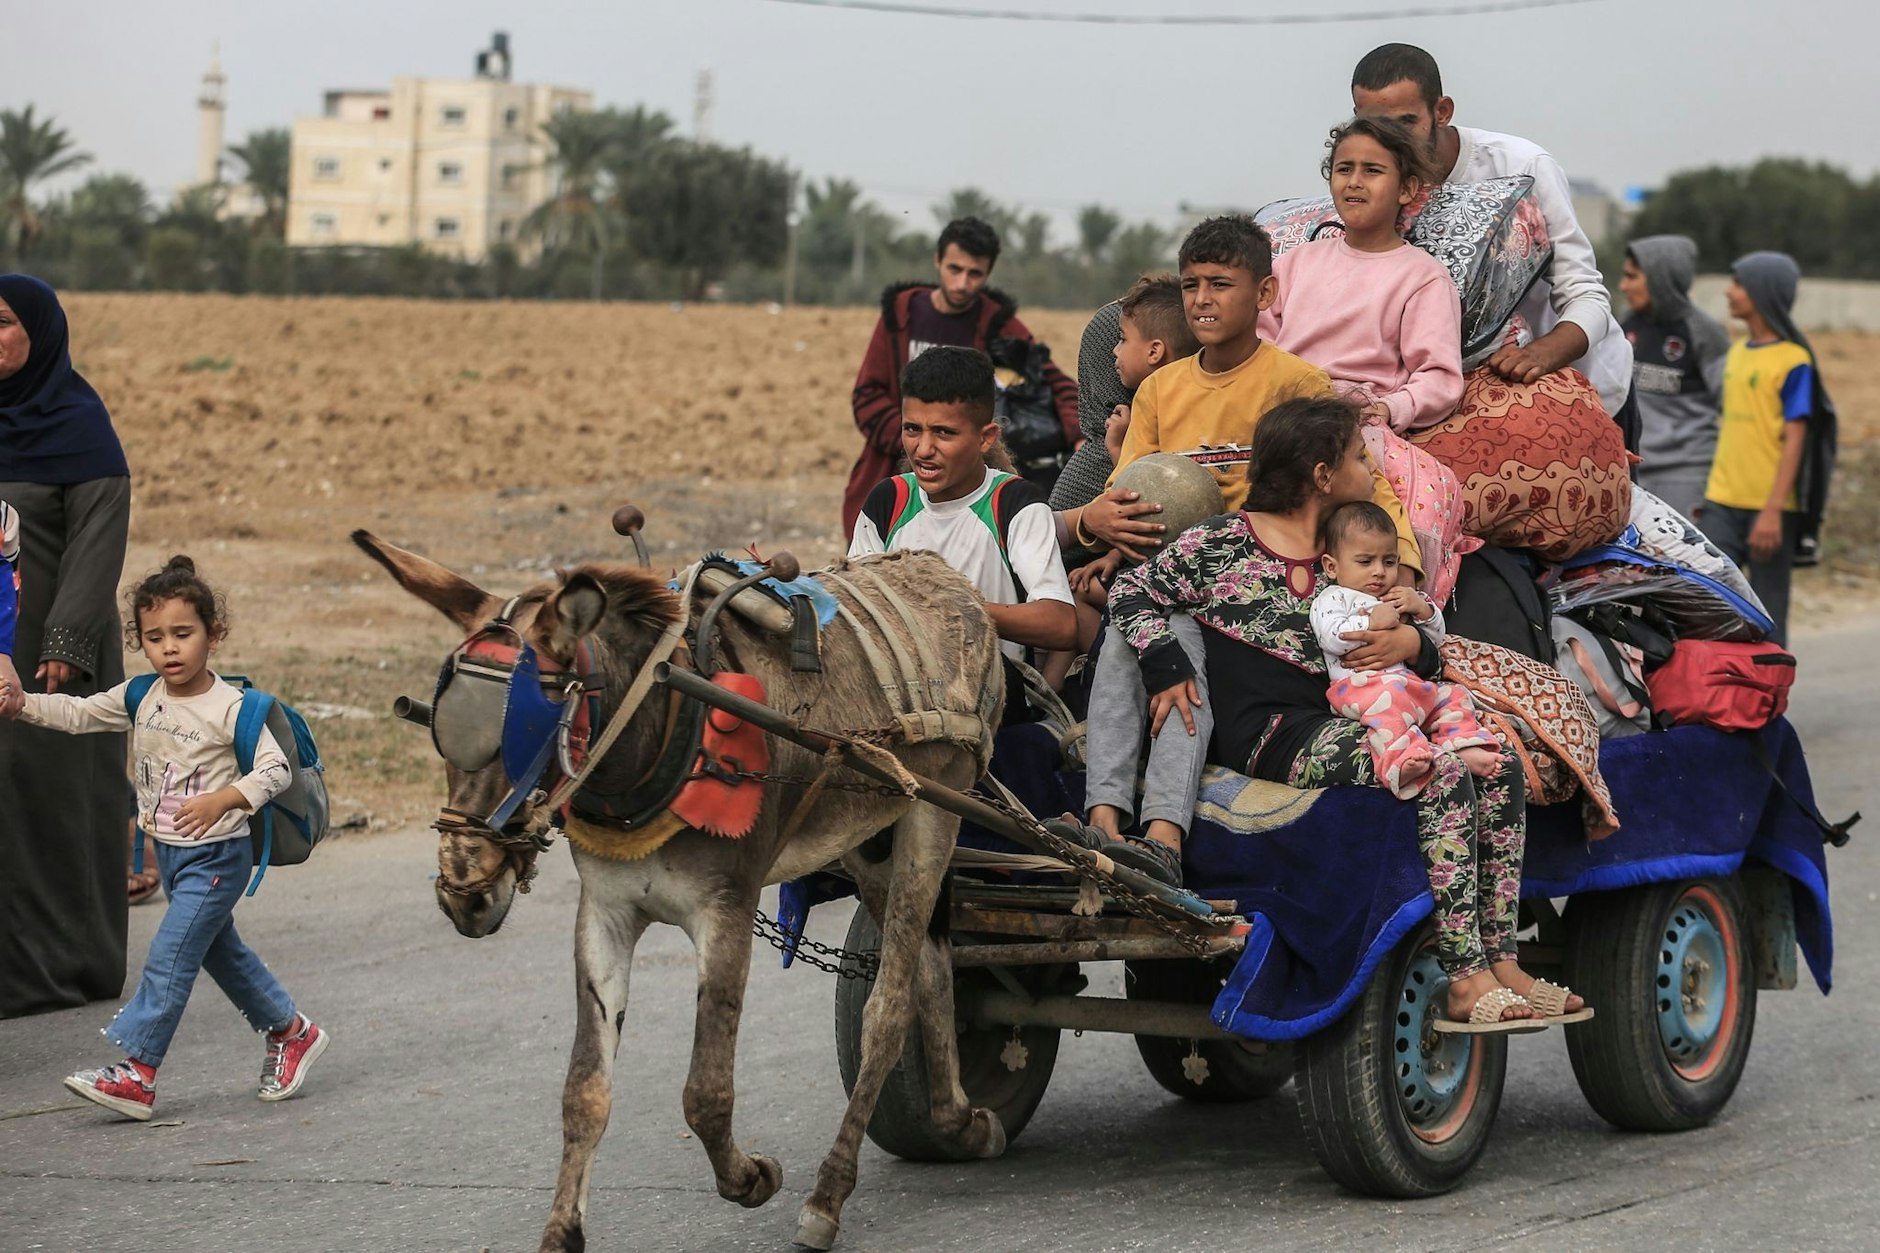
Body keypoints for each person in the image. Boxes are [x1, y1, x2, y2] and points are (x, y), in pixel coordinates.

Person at [1102, 396, 1585, 1029]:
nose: (1370, 468)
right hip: (1274, 733)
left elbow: (1424, 643)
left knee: (1499, 766)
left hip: (1355, 716)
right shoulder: (1221, 544)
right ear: (1323, 475)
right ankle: (1465, 977)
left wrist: (1414, 644)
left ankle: (1503, 960)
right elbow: (1131, 591)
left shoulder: (1358, 552)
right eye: (1360, 456)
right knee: (1439, 772)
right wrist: (1165, 662)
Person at [3, 556, 330, 1120]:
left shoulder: (231, 708)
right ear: (140, 642)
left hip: (219, 857)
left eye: (183, 634)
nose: (169, 649)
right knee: (221, 955)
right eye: (154, 638)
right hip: (175, 858)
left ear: (213, 635)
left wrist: (223, 799)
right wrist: (22, 704)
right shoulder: (142, 696)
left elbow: (276, 771)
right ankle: (291, 1032)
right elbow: (80, 714)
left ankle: (138, 1072)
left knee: (170, 956)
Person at [1075, 215, 1424, 576]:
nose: (1202, 300)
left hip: (1274, 571)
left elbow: (1364, 481)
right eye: (1191, 285)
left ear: (1264, 293)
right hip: (1177, 569)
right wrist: (1102, 533)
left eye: (1220, 284)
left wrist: (1404, 568)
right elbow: (1130, 488)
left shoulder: (1298, 383)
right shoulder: (1158, 389)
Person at [1350, 43, 1636, 446]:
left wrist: (1540, 353)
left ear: (1442, 111)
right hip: (1464, 408)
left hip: (1583, 391)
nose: (1391, 141)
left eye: (1406, 123)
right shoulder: (1367, 183)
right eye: (1375, 127)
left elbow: (1586, 294)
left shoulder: (1523, 166)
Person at [0, 274, 135, 1018]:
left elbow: (97, 537)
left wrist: (67, 641)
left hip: (52, 657)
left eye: (2, 323)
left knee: (51, 807)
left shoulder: (77, 426)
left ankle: (61, 970)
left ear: (41, 332)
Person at [849, 346, 1076, 707]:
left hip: (990, 703)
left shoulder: (1013, 503)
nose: (923, 449)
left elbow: (1060, 623)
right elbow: (854, 606)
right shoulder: (888, 501)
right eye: (912, 429)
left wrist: (952, 607)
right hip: (900, 696)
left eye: (944, 433)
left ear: (986, 437)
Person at [843, 217, 1078, 537]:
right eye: (954, 269)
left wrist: (1079, 435)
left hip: (963, 490)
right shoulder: (901, 315)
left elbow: (1051, 379)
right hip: (889, 478)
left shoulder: (995, 324)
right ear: (938, 261)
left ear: (988, 273)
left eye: (974, 273)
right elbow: (867, 396)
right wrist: (913, 441)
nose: (962, 283)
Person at [1260, 117, 1464, 434]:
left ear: (1406, 189)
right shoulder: (1293, 264)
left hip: (1359, 422)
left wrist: (1391, 408)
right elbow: (1258, 346)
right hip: (1282, 413)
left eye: (1372, 170)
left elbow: (1440, 376)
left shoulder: (1423, 278)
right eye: (1344, 169)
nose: (1354, 181)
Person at [1310, 500, 1501, 799]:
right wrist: (1370, 620)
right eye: (1365, 562)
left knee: (1453, 695)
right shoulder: (1334, 598)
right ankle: (1401, 760)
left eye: (1389, 562)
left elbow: (1436, 638)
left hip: (1407, 686)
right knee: (1390, 705)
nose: (1379, 572)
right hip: (1361, 688)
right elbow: (1330, 637)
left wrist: (1423, 609)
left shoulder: (1396, 596)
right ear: (1332, 566)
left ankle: (1462, 742)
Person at [1702, 253, 1822, 645]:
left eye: (1738, 284)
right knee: (1708, 608)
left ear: (1762, 292)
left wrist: (1772, 511)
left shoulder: (1795, 361)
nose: (1729, 291)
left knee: (1769, 617)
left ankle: (1771, 688)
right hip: (1721, 501)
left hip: (1768, 509)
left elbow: (1796, 438)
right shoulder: (1736, 351)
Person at [1620, 236, 1730, 521]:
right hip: (1630, 472)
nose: (1623, 286)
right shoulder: (1625, 325)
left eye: (1632, 277)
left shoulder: (1703, 333)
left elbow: (1732, 406)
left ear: (1661, 279)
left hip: (1685, 477)